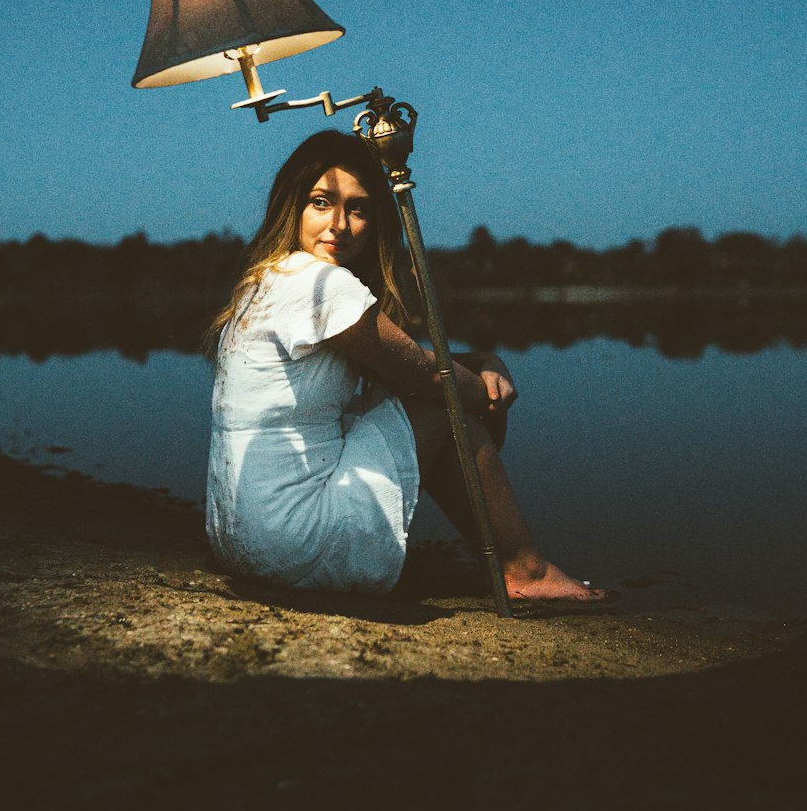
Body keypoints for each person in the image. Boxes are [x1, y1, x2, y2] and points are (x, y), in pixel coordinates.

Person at [205, 129, 611, 604]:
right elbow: (425, 376)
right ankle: (526, 569)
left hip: (236, 541)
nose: (339, 224)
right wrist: (485, 396)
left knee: (424, 396)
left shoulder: (267, 280)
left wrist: (483, 361)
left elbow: (401, 363)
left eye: (357, 209)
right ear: (290, 206)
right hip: (297, 544)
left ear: (374, 221)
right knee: (440, 405)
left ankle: (519, 566)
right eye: (321, 202)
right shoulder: (322, 285)